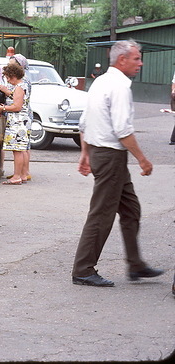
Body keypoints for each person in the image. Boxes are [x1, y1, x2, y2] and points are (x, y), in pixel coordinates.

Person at [71, 40, 163, 287]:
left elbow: (84, 122)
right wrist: (143, 160)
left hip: (106, 155)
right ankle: (83, 270)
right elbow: (123, 130)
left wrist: (85, 153)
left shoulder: (101, 81)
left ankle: (136, 265)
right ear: (122, 60)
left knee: (131, 210)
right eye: (137, 59)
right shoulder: (119, 87)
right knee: (101, 215)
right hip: (111, 156)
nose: (140, 63)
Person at [0, 62, 30, 185]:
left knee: (17, 150)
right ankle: (23, 175)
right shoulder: (23, 85)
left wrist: (2, 108)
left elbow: (17, 106)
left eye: (8, 77)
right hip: (22, 120)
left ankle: (16, 176)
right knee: (22, 148)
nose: (8, 80)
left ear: (14, 75)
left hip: (17, 121)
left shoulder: (19, 87)